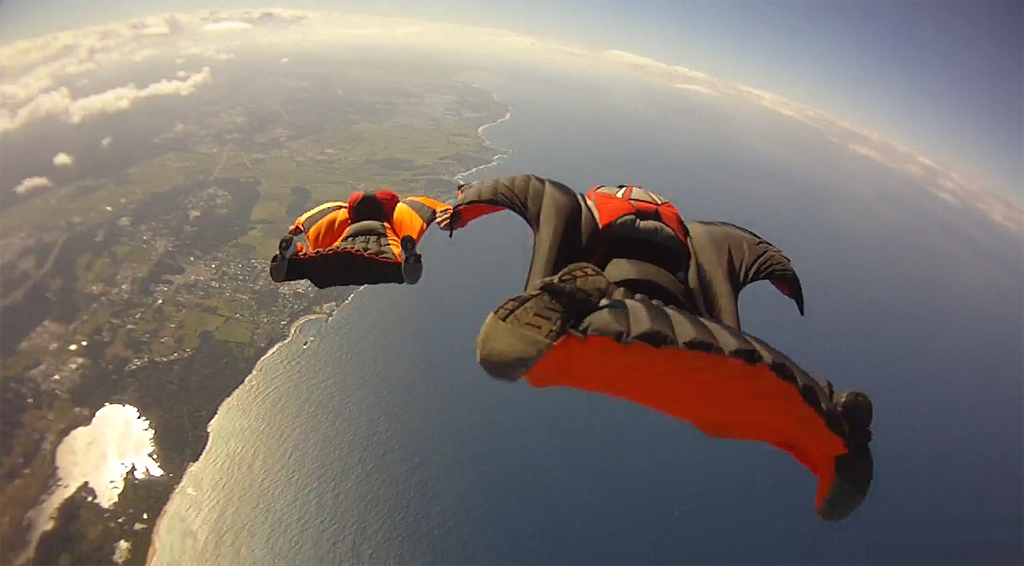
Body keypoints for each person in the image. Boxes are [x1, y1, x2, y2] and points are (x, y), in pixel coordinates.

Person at [439, 174, 873, 521]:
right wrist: (785, 281)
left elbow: (516, 190)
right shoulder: (709, 239)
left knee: (573, 319)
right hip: (684, 306)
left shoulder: (574, 207)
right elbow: (765, 258)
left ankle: (563, 301)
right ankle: (837, 431)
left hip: (597, 288)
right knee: (723, 363)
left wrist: (460, 210)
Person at [270, 189, 450, 288]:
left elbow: (307, 221)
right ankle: (408, 257)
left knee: (315, 267)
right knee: (399, 272)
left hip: (341, 249)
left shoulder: (335, 214)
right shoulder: (400, 213)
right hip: (384, 255)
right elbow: (432, 208)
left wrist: (296, 231)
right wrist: (448, 215)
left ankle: (289, 260)